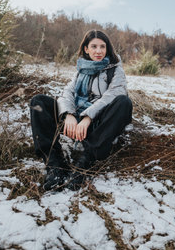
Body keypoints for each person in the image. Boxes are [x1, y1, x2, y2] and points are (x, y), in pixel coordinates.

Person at [30, 29, 133, 191]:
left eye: (102, 47)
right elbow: (67, 94)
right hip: (76, 122)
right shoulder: (81, 70)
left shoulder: (115, 69)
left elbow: (112, 96)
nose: (98, 51)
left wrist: (87, 117)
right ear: (86, 49)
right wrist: (69, 114)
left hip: (99, 124)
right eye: (94, 46)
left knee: (123, 102)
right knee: (38, 102)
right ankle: (55, 165)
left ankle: (85, 164)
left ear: (107, 49)